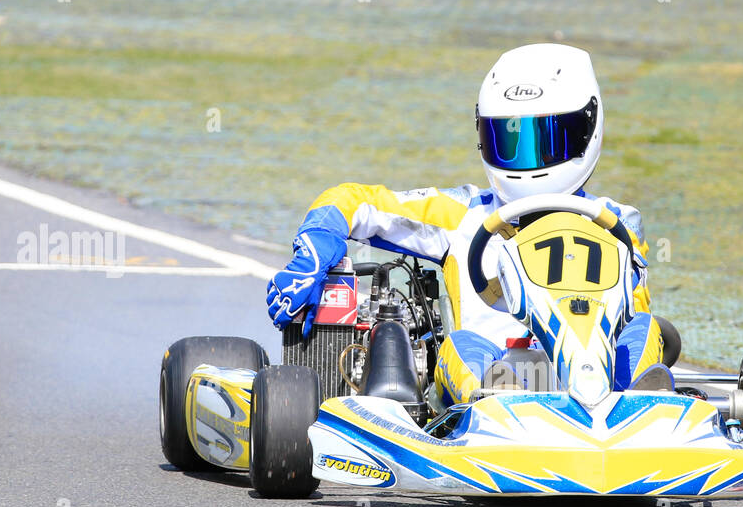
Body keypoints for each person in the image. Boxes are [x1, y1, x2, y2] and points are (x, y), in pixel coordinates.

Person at [266, 42, 665, 406]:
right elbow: (349, 200)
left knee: (646, 329)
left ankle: (643, 403)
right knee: (462, 345)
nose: (526, 158)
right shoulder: (462, 213)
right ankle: (496, 400)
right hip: (487, 385)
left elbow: (632, 310)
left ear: (586, 130)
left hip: (595, 373)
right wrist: (313, 249)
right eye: (508, 141)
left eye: (545, 139)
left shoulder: (618, 222)